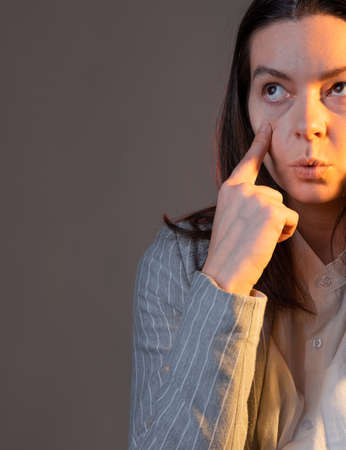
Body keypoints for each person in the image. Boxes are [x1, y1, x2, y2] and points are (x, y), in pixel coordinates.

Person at [127, 1, 346, 449]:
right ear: (243, 108)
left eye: (340, 87)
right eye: (273, 90)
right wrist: (225, 280)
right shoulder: (179, 263)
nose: (308, 125)